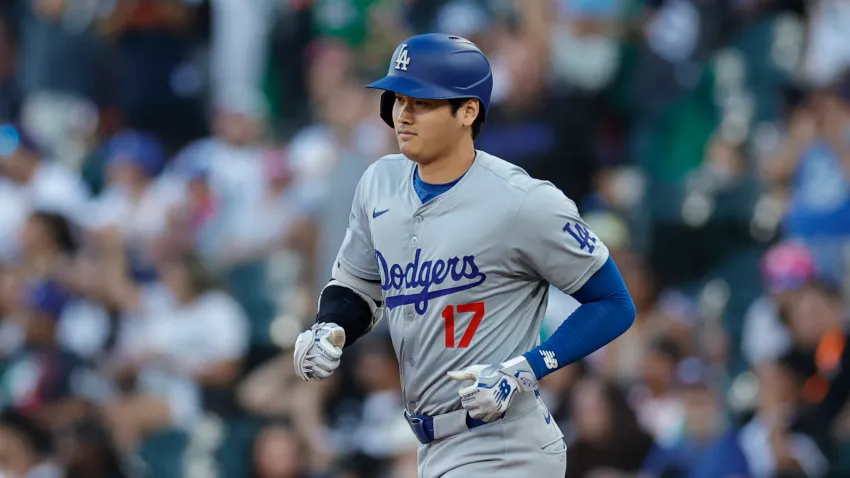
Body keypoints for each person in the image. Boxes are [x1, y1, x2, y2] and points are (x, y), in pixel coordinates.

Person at [292, 33, 636, 477]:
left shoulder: (522, 201)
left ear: (468, 111)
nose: (403, 114)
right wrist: (330, 328)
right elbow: (359, 284)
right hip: (433, 446)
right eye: (398, 98)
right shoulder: (379, 182)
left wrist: (525, 369)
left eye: (422, 102)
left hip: (506, 444)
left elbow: (614, 303)